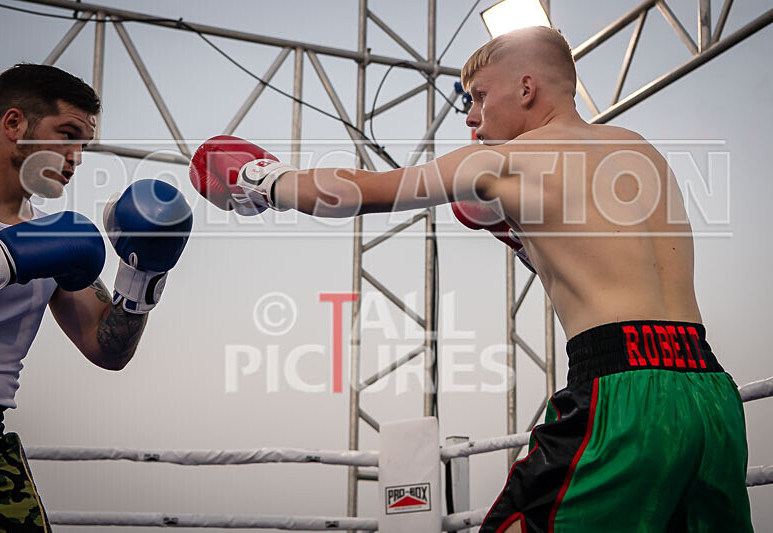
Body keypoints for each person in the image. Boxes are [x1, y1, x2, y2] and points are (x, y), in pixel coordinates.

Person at [190, 26, 753, 532]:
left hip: (622, 393)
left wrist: (261, 179)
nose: (470, 116)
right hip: (711, 396)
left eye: (480, 96)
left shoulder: (502, 163)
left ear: (526, 89)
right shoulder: (642, 152)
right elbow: (611, 259)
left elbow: (362, 190)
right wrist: (524, 239)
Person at [0, 63, 192, 532]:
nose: (75, 157)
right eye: (67, 134)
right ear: (13, 124)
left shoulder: (57, 239)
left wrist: (143, 274)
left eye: (83, 145)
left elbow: (107, 348)